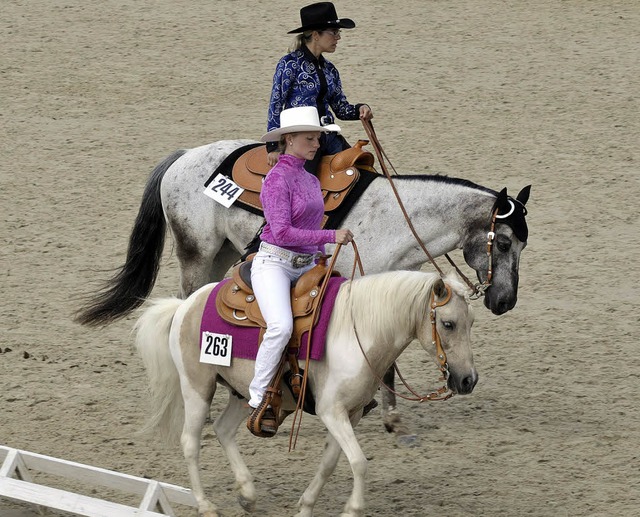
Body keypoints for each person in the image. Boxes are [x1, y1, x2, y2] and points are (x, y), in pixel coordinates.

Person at [247, 106, 354, 436]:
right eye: (310, 138)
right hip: (274, 263)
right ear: (289, 140)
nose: (317, 144)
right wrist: (330, 237)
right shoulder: (276, 180)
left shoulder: (309, 178)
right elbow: (281, 232)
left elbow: (309, 222)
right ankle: (258, 396)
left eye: (318, 138)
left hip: (307, 264)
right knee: (280, 326)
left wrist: (321, 256)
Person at [266, 1, 374, 170]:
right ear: (316, 35)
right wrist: (273, 146)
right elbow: (276, 103)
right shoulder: (289, 64)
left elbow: (340, 109)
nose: (338, 37)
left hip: (328, 136)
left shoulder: (330, 69)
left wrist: (360, 108)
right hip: (302, 140)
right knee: (305, 185)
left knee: (359, 171)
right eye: (334, 32)